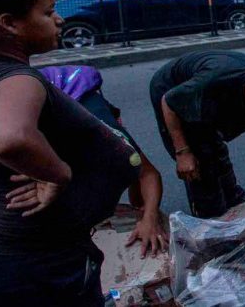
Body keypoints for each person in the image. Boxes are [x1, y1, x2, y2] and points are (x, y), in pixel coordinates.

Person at [0, 0, 141, 305]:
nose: (58, 20)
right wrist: (58, 174)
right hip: (34, 263)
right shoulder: (15, 80)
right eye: (47, 12)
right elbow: (7, 137)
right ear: (9, 24)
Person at [149, 51, 245, 218]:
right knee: (200, 162)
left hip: (210, 99)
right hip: (171, 89)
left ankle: (232, 199)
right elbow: (169, 102)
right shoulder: (214, 81)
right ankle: (209, 217)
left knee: (214, 148)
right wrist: (182, 152)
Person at [40, 66, 167, 257]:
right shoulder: (42, 142)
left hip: (78, 93)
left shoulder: (110, 136)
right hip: (46, 102)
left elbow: (148, 173)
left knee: (130, 161)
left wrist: (150, 217)